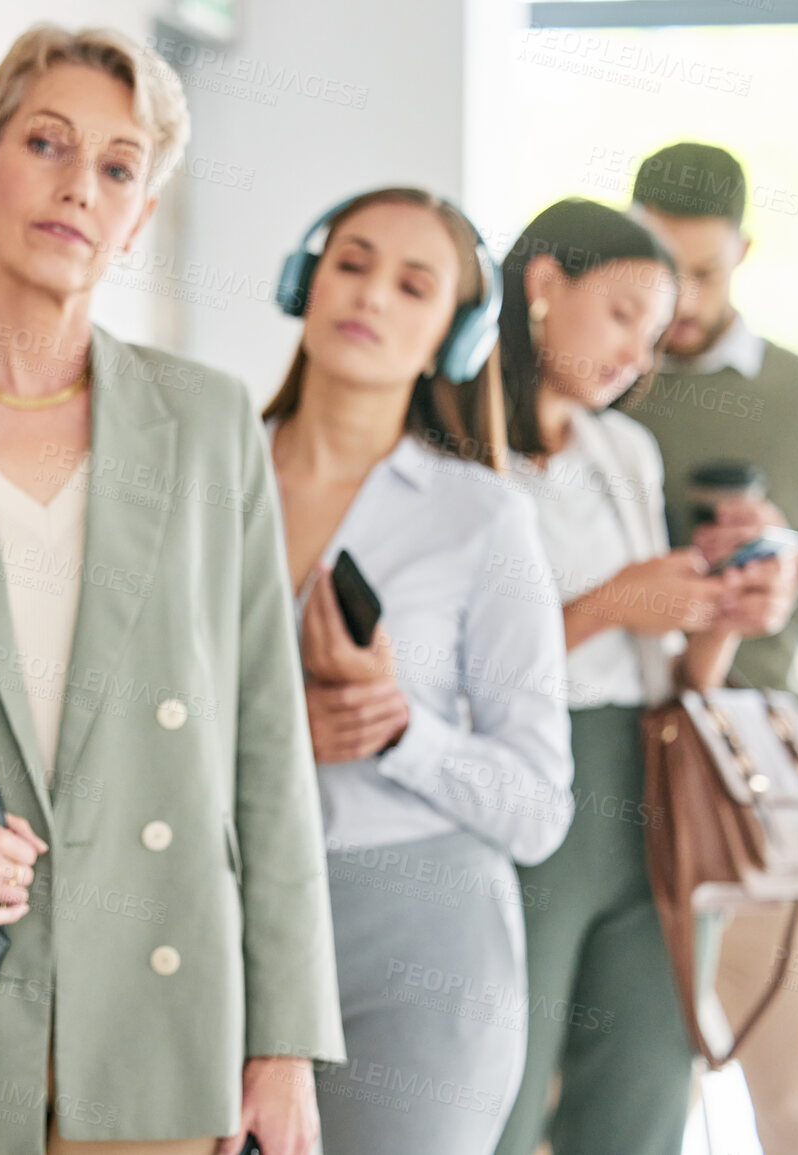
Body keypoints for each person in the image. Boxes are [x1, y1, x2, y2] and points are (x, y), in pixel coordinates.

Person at [0, 24, 339, 1155]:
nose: (80, 186)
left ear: (142, 212)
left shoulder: (210, 423)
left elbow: (266, 745)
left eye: (120, 167)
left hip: (162, 1019)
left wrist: (282, 1042)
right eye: (48, 143)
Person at [264, 187, 573, 1154]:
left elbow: (539, 808)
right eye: (350, 264)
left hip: (422, 944)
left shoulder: (484, 517)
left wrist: (401, 730)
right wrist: (279, 735)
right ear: (304, 283)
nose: (371, 298)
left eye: (414, 283)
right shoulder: (201, 478)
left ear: (456, 329)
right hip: (224, 909)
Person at [627, 141, 798, 1155]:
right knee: (612, 1093)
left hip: (752, 772)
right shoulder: (588, 377)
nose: (682, 295)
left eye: (706, 269)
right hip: (596, 767)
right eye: (662, 265)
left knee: (797, 1100)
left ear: (744, 250)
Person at [493, 198, 748, 1155]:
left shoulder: (624, 450)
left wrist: (717, 617)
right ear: (543, 283)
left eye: (652, 337)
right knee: (500, 1097)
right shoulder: (459, 450)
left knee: (642, 1093)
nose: (637, 359)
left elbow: (669, 672)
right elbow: (448, 681)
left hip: (645, 787)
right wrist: (607, 603)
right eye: (621, 317)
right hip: (527, 790)